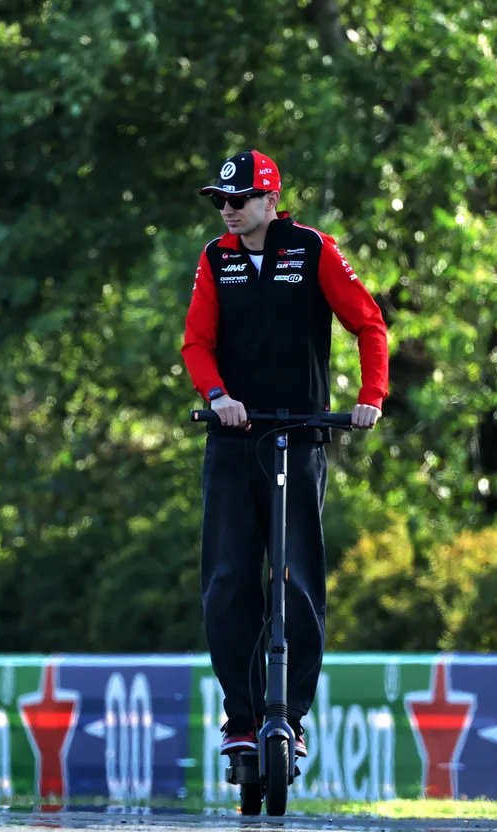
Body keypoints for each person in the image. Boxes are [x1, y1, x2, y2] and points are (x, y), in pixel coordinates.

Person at [180, 150, 389, 758]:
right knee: (227, 581)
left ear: (270, 200)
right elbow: (197, 342)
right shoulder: (215, 260)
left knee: (296, 581)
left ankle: (290, 717)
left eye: (239, 199)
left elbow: (369, 325)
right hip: (232, 441)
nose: (228, 210)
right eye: (221, 200)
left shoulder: (313, 249)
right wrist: (217, 396)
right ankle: (242, 721)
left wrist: (368, 397)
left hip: (297, 440)